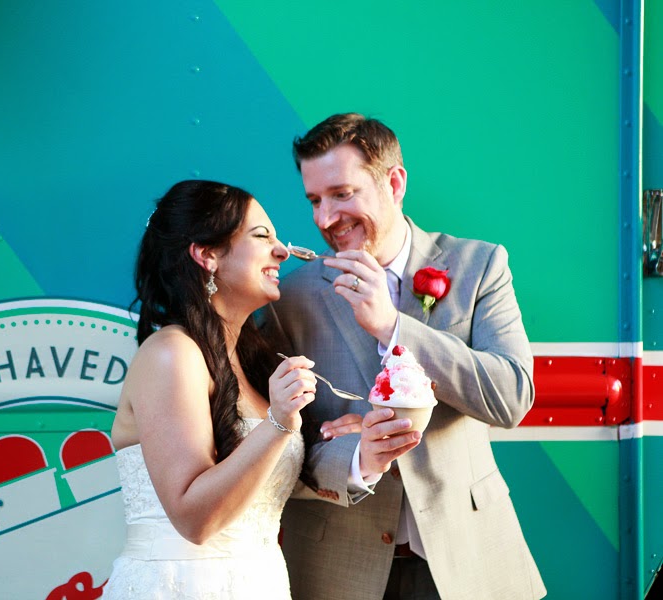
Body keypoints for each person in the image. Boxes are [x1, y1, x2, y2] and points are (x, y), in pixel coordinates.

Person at [263, 114, 547, 600]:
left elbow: (512, 397)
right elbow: (275, 444)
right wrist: (358, 454)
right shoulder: (288, 301)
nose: (325, 219)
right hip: (338, 569)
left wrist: (393, 327)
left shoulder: (480, 266)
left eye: (342, 194)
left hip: (468, 561)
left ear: (394, 184)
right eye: (314, 200)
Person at [103, 180, 412, 599]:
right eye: (262, 236)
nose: (282, 251)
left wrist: (364, 454)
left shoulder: (252, 360)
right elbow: (194, 520)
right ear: (207, 255)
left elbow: (262, 481)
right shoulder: (171, 353)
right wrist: (278, 422)